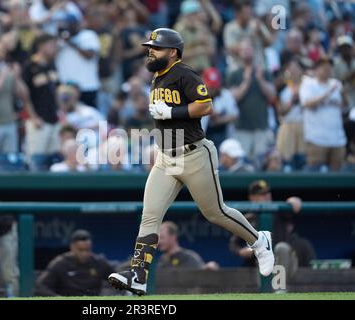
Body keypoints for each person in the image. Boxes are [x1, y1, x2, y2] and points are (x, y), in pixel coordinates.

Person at [108, 28, 275, 296]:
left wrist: (173, 111)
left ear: (172, 52)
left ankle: (258, 240)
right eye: (150, 47)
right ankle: (138, 275)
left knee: (214, 212)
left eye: (157, 48)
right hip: (166, 158)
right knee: (150, 216)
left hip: (194, 153)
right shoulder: (155, 78)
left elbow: (206, 105)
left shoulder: (184, 73)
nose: (150, 51)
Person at [227, 39, 277, 162]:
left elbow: (272, 96)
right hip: (241, 128)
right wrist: (246, 80)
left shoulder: (264, 73)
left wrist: (260, 80)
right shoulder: (234, 74)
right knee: (242, 163)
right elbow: (233, 98)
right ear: (239, 53)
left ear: (254, 51)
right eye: (243, 49)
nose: (246, 52)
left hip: (262, 127)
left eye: (249, 49)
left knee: (261, 162)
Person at [299, 56, 347, 171]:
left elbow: (345, 107)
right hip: (317, 139)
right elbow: (307, 103)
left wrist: (344, 94)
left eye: (329, 66)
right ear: (315, 69)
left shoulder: (336, 84)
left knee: (337, 179)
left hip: (337, 139)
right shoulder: (308, 84)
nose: (327, 69)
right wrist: (328, 92)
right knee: (314, 177)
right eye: (323, 66)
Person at [35, 229, 115, 296]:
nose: (84, 254)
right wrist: (58, 298)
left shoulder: (99, 262)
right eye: (80, 250)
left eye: (87, 250)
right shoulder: (60, 263)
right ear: (72, 247)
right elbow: (41, 287)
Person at [22, 33, 60, 158]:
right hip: (37, 120)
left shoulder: (52, 65)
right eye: (52, 45)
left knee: (53, 158)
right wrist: (33, 117)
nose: (55, 48)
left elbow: (56, 91)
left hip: (54, 118)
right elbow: (24, 96)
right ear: (41, 46)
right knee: (36, 158)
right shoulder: (29, 66)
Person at [55, 14, 101, 108]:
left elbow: (89, 55)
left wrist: (70, 42)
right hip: (67, 87)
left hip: (88, 85)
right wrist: (59, 37)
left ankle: (103, 124)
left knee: (96, 115)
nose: (69, 27)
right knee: (72, 117)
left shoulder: (88, 35)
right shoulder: (60, 39)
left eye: (71, 24)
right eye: (66, 25)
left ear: (77, 24)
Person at [201, 67, 239, 148]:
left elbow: (235, 114)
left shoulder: (225, 94)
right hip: (204, 137)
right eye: (211, 87)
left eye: (215, 86)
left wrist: (220, 120)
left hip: (223, 136)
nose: (213, 89)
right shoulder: (197, 95)